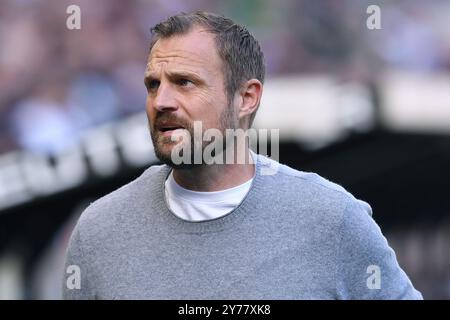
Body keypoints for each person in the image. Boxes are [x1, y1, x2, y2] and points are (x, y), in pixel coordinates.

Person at [63, 11, 422, 299]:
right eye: (153, 84)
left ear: (246, 98)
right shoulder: (100, 231)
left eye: (185, 82)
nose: (161, 101)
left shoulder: (331, 219)